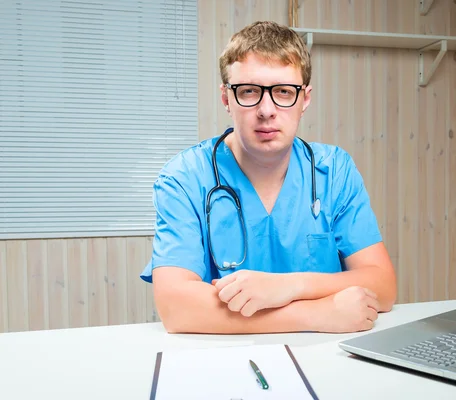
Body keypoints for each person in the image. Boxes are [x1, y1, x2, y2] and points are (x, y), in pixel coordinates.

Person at [140, 20, 397, 335]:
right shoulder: (186, 177)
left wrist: (287, 286)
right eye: (248, 91)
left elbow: (382, 285)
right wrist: (316, 314)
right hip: (221, 361)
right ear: (226, 98)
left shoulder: (334, 171)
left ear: (305, 99)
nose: (266, 109)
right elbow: (177, 308)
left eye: (284, 92)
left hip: (326, 359)